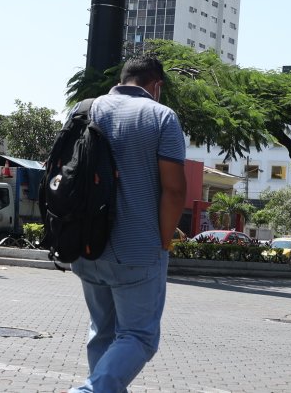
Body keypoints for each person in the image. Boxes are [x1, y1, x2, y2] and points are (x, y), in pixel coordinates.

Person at [68, 55, 187, 393]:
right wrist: (163, 242)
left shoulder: (85, 109)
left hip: (85, 243)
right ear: (157, 86)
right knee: (138, 336)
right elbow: (175, 190)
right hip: (137, 249)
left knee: (102, 332)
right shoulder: (162, 116)